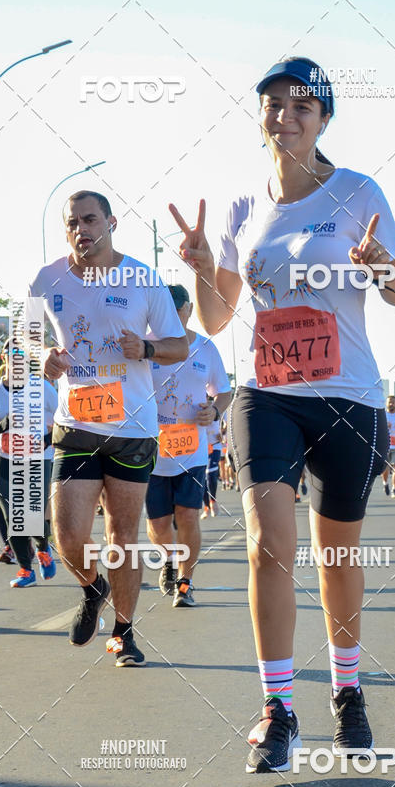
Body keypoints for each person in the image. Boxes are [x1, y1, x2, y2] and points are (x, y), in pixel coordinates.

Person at [170, 56, 395, 772]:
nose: (287, 115)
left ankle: (348, 691)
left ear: (324, 120)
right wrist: (196, 264)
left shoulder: (357, 191)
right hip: (267, 394)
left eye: (303, 106)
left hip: (348, 397)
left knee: (337, 558)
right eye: (274, 104)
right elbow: (218, 320)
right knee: (265, 544)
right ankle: (278, 710)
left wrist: (381, 266)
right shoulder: (244, 209)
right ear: (261, 118)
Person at [30, 190, 187, 665]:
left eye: (90, 219)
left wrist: (146, 349)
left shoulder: (143, 278)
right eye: (72, 222)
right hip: (75, 422)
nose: (81, 229)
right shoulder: (46, 279)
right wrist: (42, 358)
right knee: (68, 533)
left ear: (111, 222)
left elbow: (178, 346)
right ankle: (92, 587)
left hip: (132, 428)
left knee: (123, 535)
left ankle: (124, 631)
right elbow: (23, 342)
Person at [145, 284, 232, 606]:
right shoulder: (146, 346)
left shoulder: (205, 348)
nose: (169, 318)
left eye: (175, 311)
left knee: (188, 516)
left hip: (191, 451)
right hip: (151, 452)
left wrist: (215, 410)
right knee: (158, 525)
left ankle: (185, 581)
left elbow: (224, 391)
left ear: (188, 310)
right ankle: (168, 562)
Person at [0, 337, 59, 587]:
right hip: (5, 458)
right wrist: (4, 424)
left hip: (37, 457)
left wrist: (47, 438)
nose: (17, 360)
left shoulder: (41, 387)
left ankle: (43, 548)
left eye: (22, 355)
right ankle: (25, 570)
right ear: (4, 358)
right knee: (13, 515)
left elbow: (66, 417)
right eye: (13, 355)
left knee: (32, 513)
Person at [202, 417, 223, 518]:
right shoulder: (195, 404)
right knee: (201, 479)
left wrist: (222, 433)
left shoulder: (219, 404)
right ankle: (206, 506)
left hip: (215, 446)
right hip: (200, 448)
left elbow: (226, 423)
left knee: (210, 474)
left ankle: (213, 501)